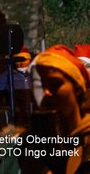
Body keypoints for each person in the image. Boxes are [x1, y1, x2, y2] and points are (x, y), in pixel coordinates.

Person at [13, 44, 90, 173]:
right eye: (38, 86)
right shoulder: (31, 144)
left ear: (76, 87)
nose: (46, 92)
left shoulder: (86, 142)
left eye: (55, 84)